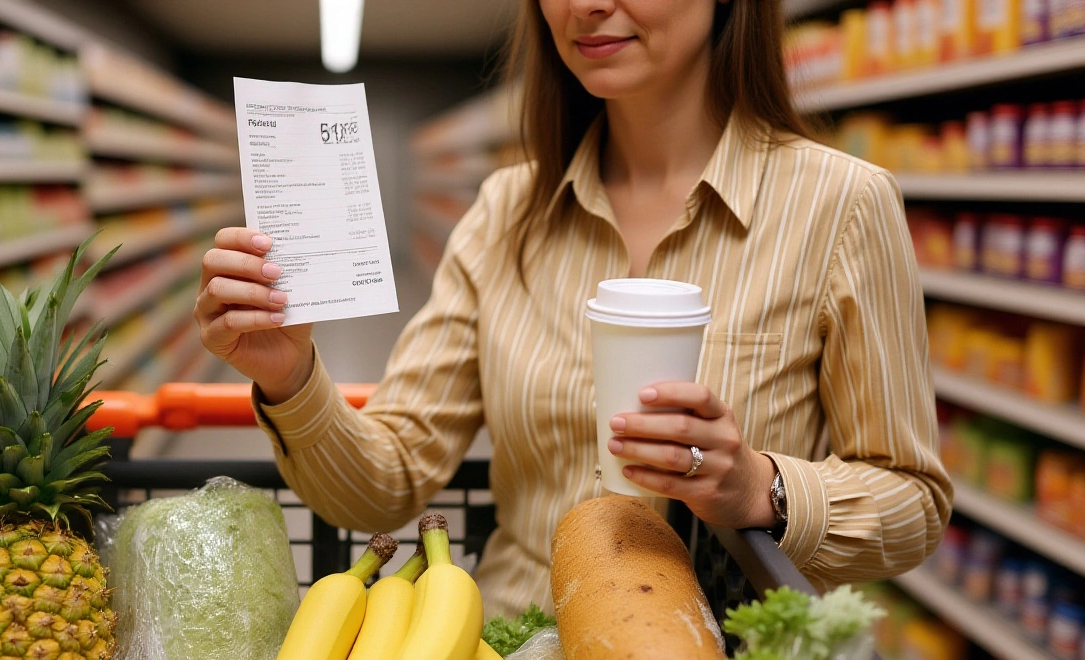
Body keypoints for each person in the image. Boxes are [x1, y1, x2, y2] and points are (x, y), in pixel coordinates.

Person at [195, 0, 951, 618]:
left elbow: (913, 503)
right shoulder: (504, 212)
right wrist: (292, 377)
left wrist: (763, 489)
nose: (585, 7)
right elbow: (384, 482)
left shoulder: (843, 204)